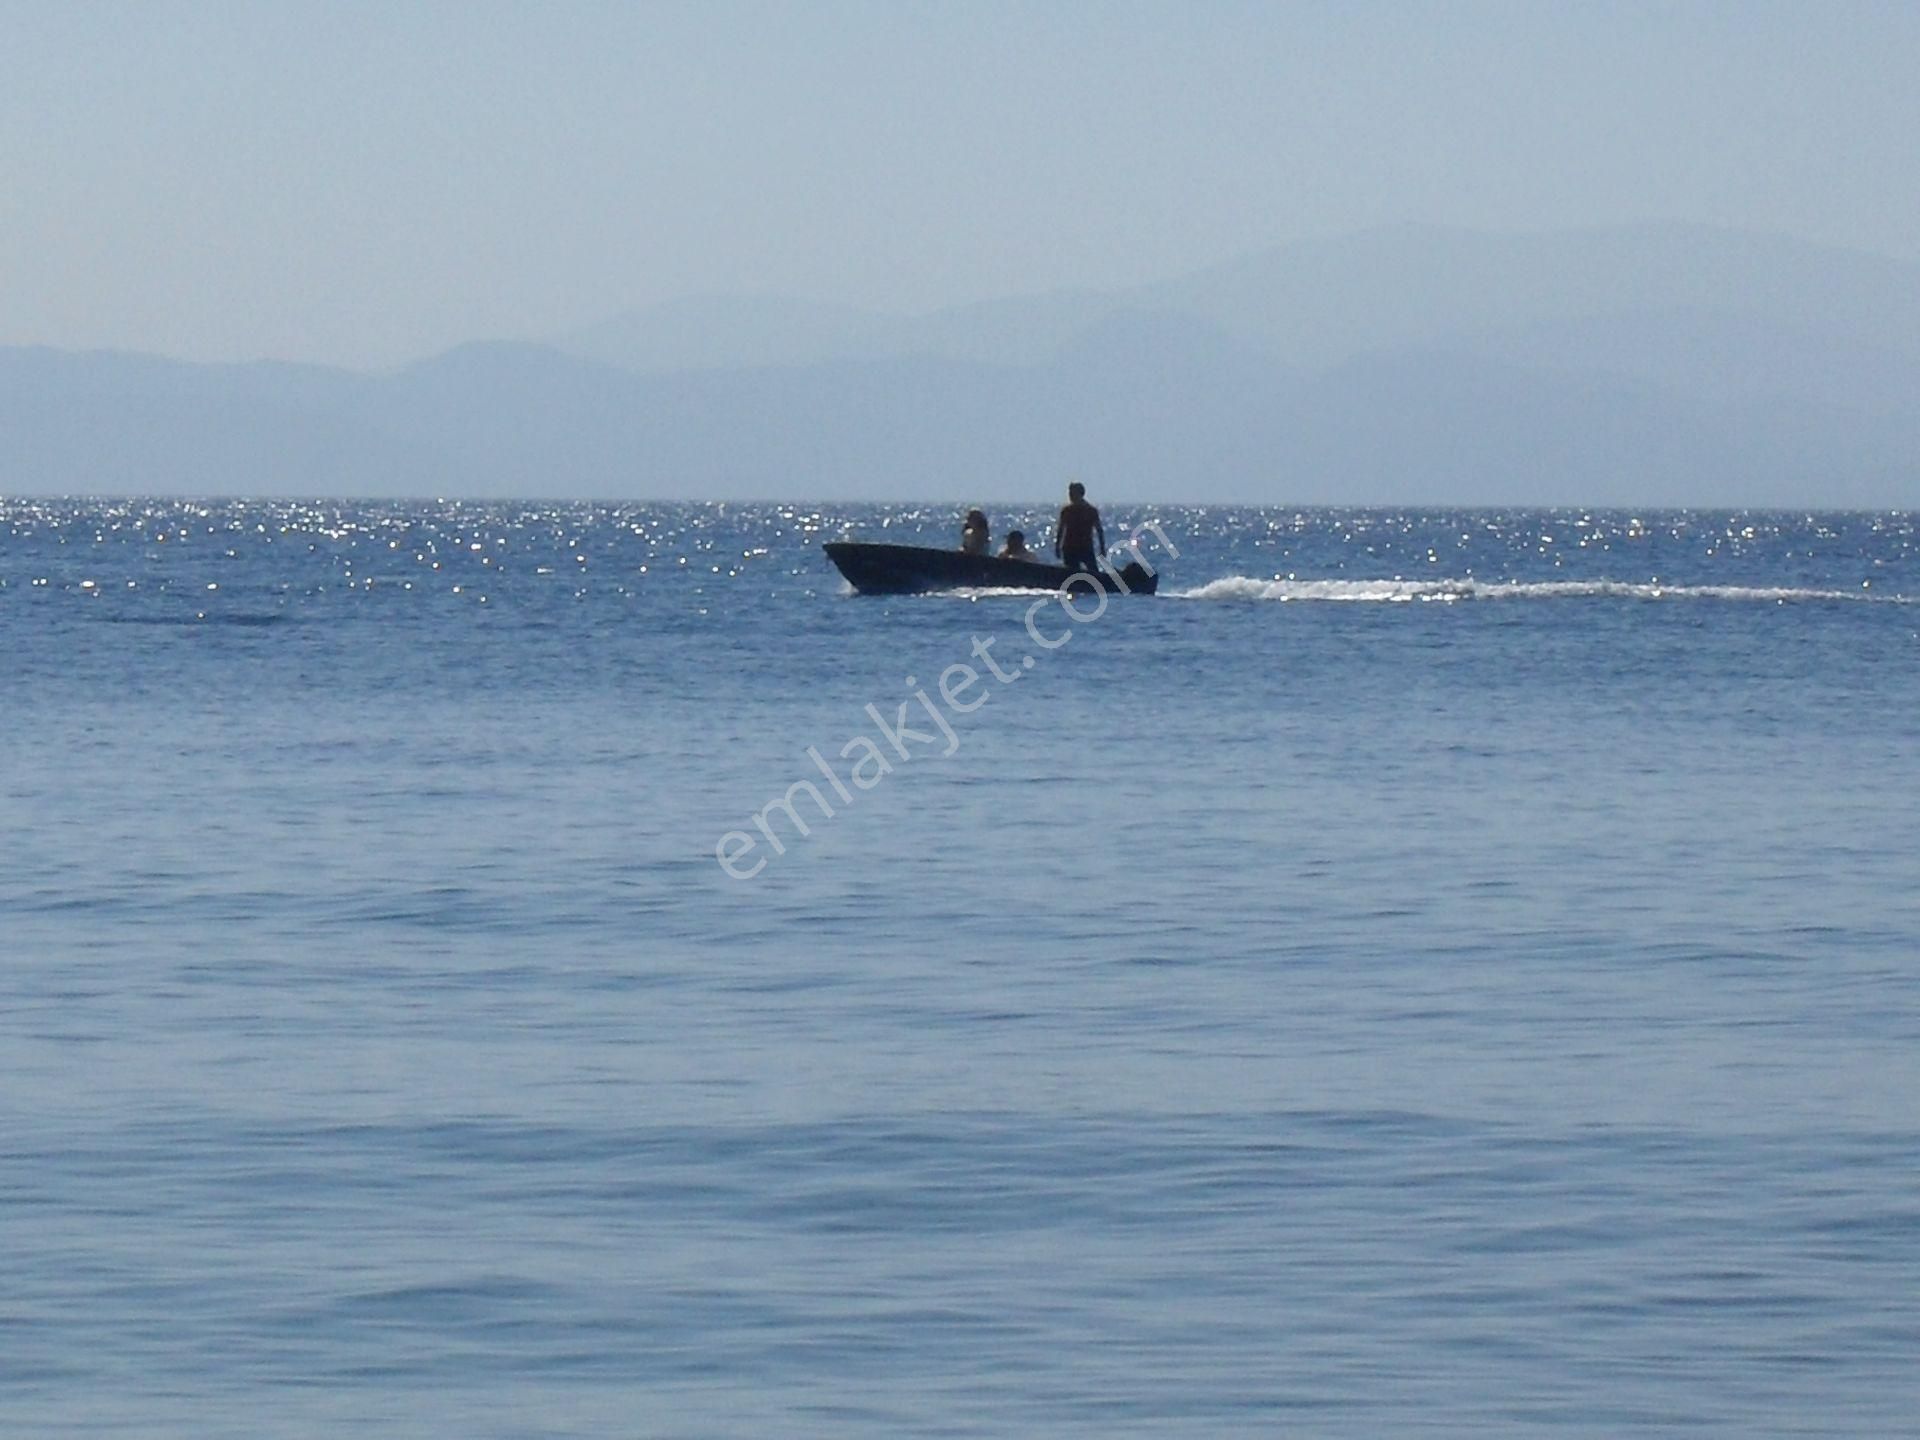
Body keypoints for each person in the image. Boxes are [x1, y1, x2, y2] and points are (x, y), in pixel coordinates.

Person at [1052, 481, 1106, 572]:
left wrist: (1102, 548)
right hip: (1069, 548)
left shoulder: (1090, 511)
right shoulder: (1067, 511)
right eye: (1070, 493)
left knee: (1093, 572)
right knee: (1071, 573)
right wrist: (1057, 547)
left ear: (1080, 494)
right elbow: (1061, 529)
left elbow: (1099, 530)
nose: (1070, 496)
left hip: (1086, 546)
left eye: (1072, 493)